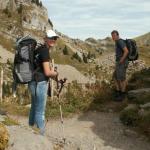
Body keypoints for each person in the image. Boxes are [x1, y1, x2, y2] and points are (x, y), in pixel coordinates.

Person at [28, 29, 59, 135]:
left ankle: (30, 129)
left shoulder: (37, 49)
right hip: (40, 83)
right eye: (51, 38)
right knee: (40, 110)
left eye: (54, 38)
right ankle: (41, 135)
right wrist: (55, 73)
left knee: (33, 106)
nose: (53, 40)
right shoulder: (45, 51)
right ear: (45, 39)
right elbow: (47, 72)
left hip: (32, 81)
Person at [111, 30, 129, 101]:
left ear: (117, 35)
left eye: (114, 36)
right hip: (119, 63)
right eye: (112, 36)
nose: (113, 37)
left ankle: (122, 95)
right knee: (115, 77)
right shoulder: (116, 42)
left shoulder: (120, 41)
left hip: (122, 62)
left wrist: (121, 60)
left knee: (122, 79)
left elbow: (126, 51)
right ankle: (118, 92)